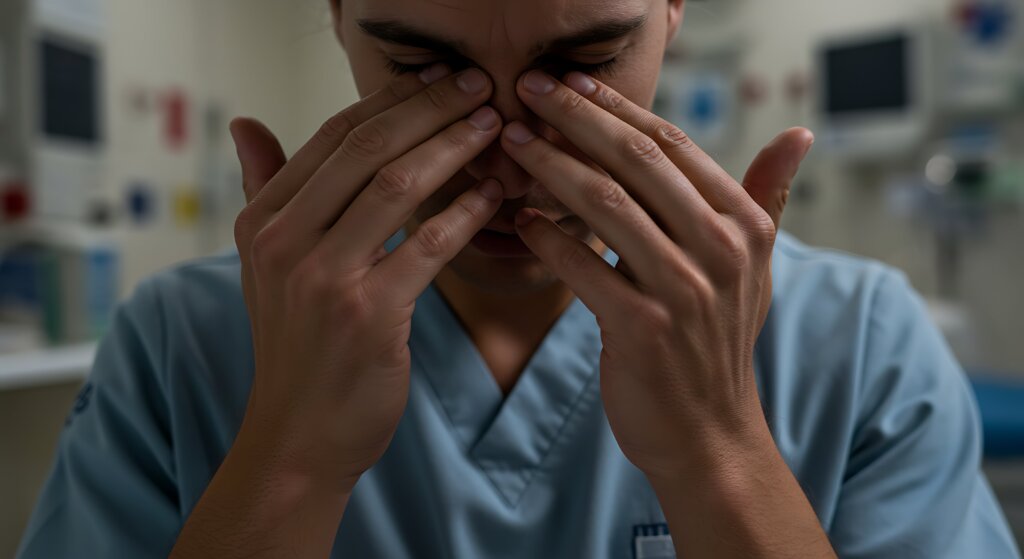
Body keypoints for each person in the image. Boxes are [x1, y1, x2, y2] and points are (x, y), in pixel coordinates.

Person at [17, 0, 1022, 557]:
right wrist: (286, 461)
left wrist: (721, 458)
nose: (499, 153)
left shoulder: (859, 338)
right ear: (335, 16)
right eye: (419, 67)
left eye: (582, 65)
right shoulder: (182, 343)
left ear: (673, 11)